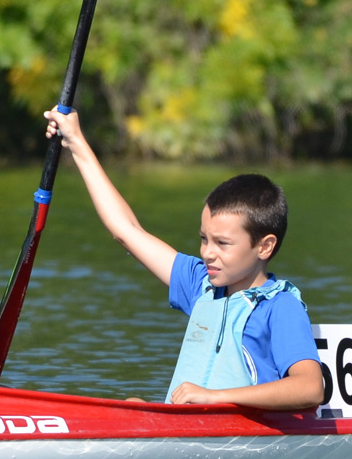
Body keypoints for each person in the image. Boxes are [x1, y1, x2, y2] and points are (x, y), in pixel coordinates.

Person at [45, 107, 325, 410]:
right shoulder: (199, 283)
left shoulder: (280, 307)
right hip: (188, 432)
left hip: (242, 444)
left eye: (222, 243)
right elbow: (126, 230)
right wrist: (75, 142)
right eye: (204, 239)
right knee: (131, 404)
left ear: (264, 247)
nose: (207, 253)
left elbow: (310, 388)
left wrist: (215, 397)